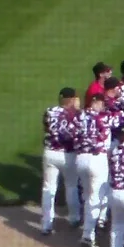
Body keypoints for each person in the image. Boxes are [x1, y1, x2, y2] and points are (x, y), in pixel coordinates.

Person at [72, 93, 113, 247]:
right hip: (98, 160)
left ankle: (88, 226)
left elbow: (72, 136)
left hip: (81, 159)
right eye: (102, 103)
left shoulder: (78, 117)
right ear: (96, 102)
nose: (103, 107)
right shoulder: (105, 118)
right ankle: (88, 235)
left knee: (87, 194)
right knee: (95, 198)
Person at [40, 87, 81, 234]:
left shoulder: (49, 111)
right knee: (71, 186)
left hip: (50, 152)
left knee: (48, 188)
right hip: (68, 155)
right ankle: (74, 218)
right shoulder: (77, 114)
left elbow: (46, 129)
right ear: (72, 99)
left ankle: (46, 224)